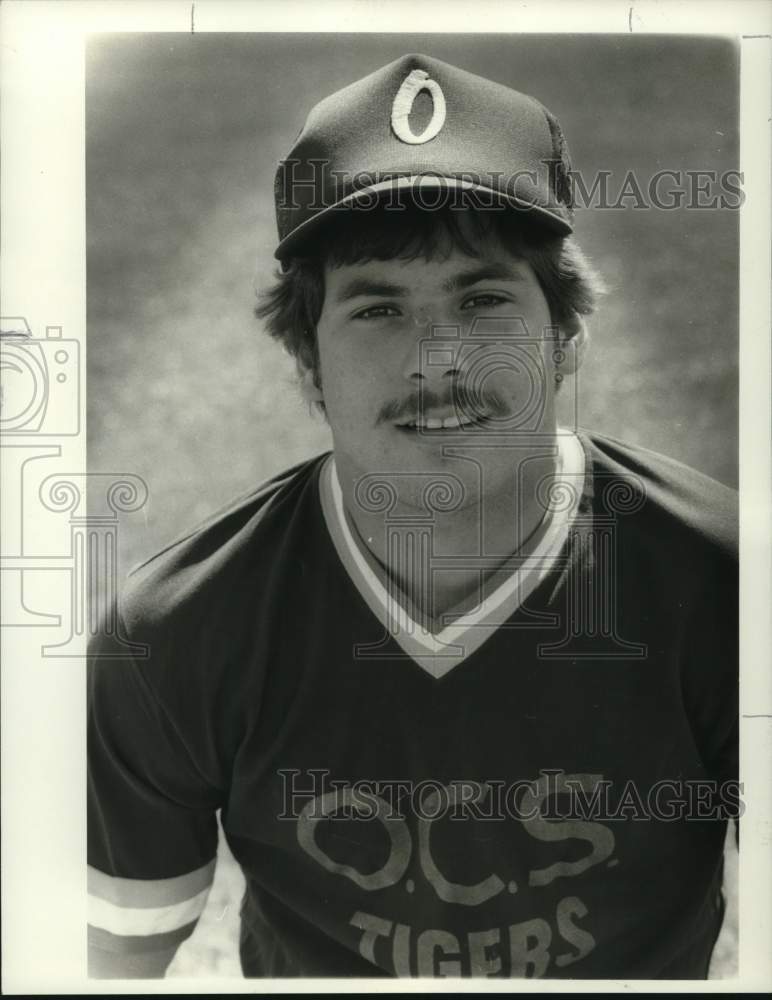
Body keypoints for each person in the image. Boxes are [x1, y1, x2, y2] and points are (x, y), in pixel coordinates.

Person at [87, 53, 739, 979]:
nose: (438, 357)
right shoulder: (174, 634)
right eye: (378, 309)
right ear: (308, 365)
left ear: (565, 337)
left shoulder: (728, 586)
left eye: (482, 298)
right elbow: (110, 962)